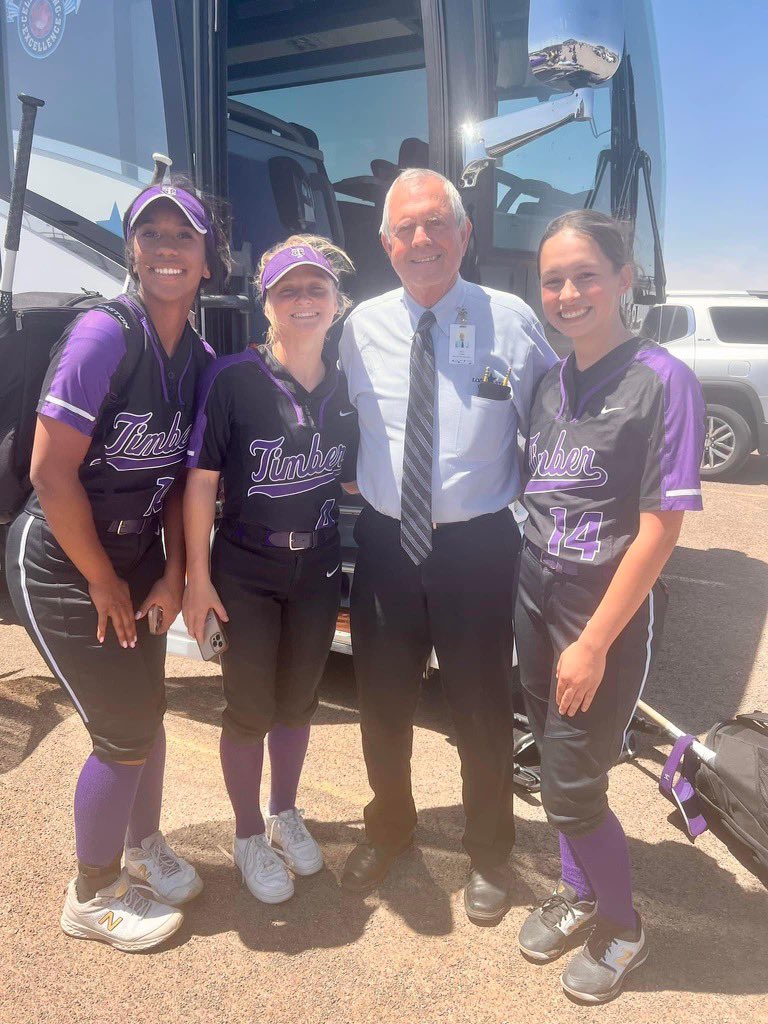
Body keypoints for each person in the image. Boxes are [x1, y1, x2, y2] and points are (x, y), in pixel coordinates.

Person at [5, 181, 231, 951]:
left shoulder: (200, 356)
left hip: (135, 558)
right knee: (123, 726)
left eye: (185, 237)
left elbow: (180, 477)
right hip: (63, 558)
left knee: (147, 710)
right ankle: (92, 891)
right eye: (152, 235)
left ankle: (140, 847)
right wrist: (103, 579)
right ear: (132, 251)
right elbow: (49, 471)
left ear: (207, 260)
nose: (168, 248)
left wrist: (170, 573)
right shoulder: (106, 335)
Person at [338, 168, 557, 922]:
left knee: (481, 710)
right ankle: (391, 828)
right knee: (382, 705)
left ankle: (490, 851)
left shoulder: (513, 319)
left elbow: (555, 424)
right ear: (385, 242)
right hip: (387, 546)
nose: (422, 240)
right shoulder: (358, 326)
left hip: (478, 549)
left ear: (465, 234)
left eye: (437, 224)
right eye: (406, 229)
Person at [515, 210, 705, 1003]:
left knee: (571, 780)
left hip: (602, 616)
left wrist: (592, 643)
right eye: (553, 279)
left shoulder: (664, 379)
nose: (568, 292)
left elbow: (661, 528)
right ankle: (578, 886)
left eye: (586, 274)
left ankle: (623, 927)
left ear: (624, 279)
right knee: (545, 760)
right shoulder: (549, 382)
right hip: (533, 597)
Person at [183, 235, 357, 904]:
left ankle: (285, 812)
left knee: (298, 702)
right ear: (268, 304)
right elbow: (201, 483)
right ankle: (249, 832)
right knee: (249, 707)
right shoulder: (234, 377)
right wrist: (197, 579)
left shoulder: (345, 386)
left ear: (337, 303)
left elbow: (353, 482)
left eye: (317, 289)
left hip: (315, 564)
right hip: (246, 567)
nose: (304, 300)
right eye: (289, 290)